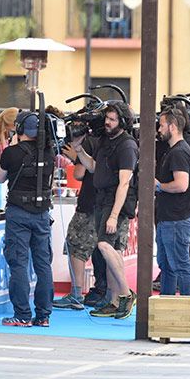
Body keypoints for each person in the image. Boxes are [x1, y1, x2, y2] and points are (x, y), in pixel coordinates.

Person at [73, 103, 138, 320]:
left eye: (112, 119)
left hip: (115, 202)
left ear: (123, 122)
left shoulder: (127, 146)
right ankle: (115, 299)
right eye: (107, 118)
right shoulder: (104, 141)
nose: (107, 122)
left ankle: (126, 294)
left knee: (105, 245)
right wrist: (79, 149)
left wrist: (113, 215)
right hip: (101, 200)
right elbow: (92, 167)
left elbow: (124, 183)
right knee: (111, 251)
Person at [0, 111, 56, 327]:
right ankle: (44, 315)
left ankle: (22, 314)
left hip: (18, 212)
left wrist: (13, 145)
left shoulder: (11, 153)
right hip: (41, 213)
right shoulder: (49, 154)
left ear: (20, 130)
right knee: (42, 264)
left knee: (19, 263)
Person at [53, 133, 103, 310]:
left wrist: (76, 159)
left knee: (76, 247)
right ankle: (105, 292)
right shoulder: (109, 140)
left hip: (89, 203)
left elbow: (80, 174)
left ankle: (76, 293)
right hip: (103, 203)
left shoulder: (89, 142)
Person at [155, 109, 190, 296]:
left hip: (176, 217)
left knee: (179, 265)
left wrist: (159, 186)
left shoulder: (178, 152)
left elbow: (181, 185)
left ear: (172, 127)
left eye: (162, 125)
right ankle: (167, 302)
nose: (159, 129)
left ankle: (189, 307)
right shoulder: (176, 150)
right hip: (171, 217)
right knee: (168, 266)